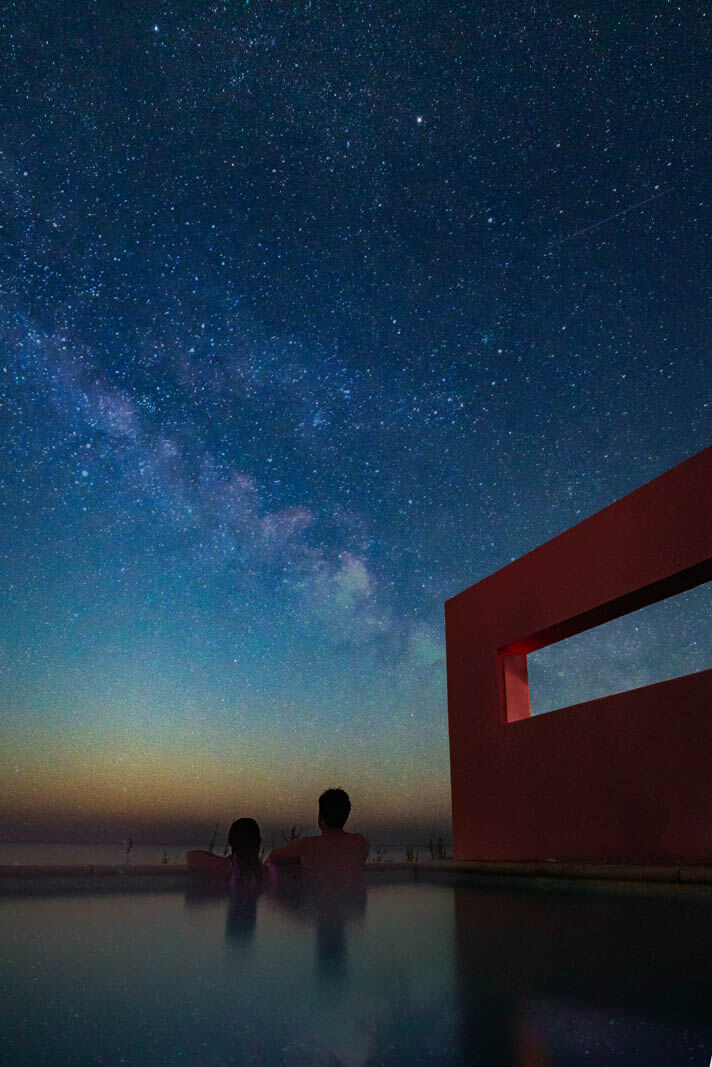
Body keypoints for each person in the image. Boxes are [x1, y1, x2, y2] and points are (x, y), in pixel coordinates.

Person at [266, 788, 369, 881]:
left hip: (319, 899)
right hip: (350, 900)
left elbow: (272, 858)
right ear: (346, 815)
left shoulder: (307, 845)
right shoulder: (359, 842)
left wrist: (297, 862)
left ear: (320, 817)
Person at [187, 817, 264, 888]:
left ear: (230, 842)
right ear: (259, 842)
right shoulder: (268, 872)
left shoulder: (227, 868)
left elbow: (191, 857)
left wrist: (223, 860)